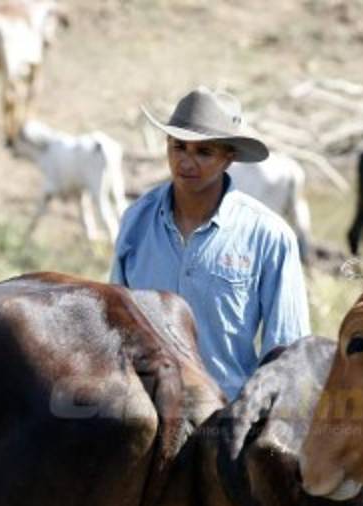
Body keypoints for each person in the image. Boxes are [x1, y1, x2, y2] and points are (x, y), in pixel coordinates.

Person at [110, 86, 311, 398]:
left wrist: (254, 415)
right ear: (167, 146)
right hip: (144, 409)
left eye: (204, 152)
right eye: (179, 147)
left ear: (228, 158)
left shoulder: (269, 236)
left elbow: (287, 350)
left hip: (225, 412)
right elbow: (114, 323)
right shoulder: (136, 221)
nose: (187, 162)